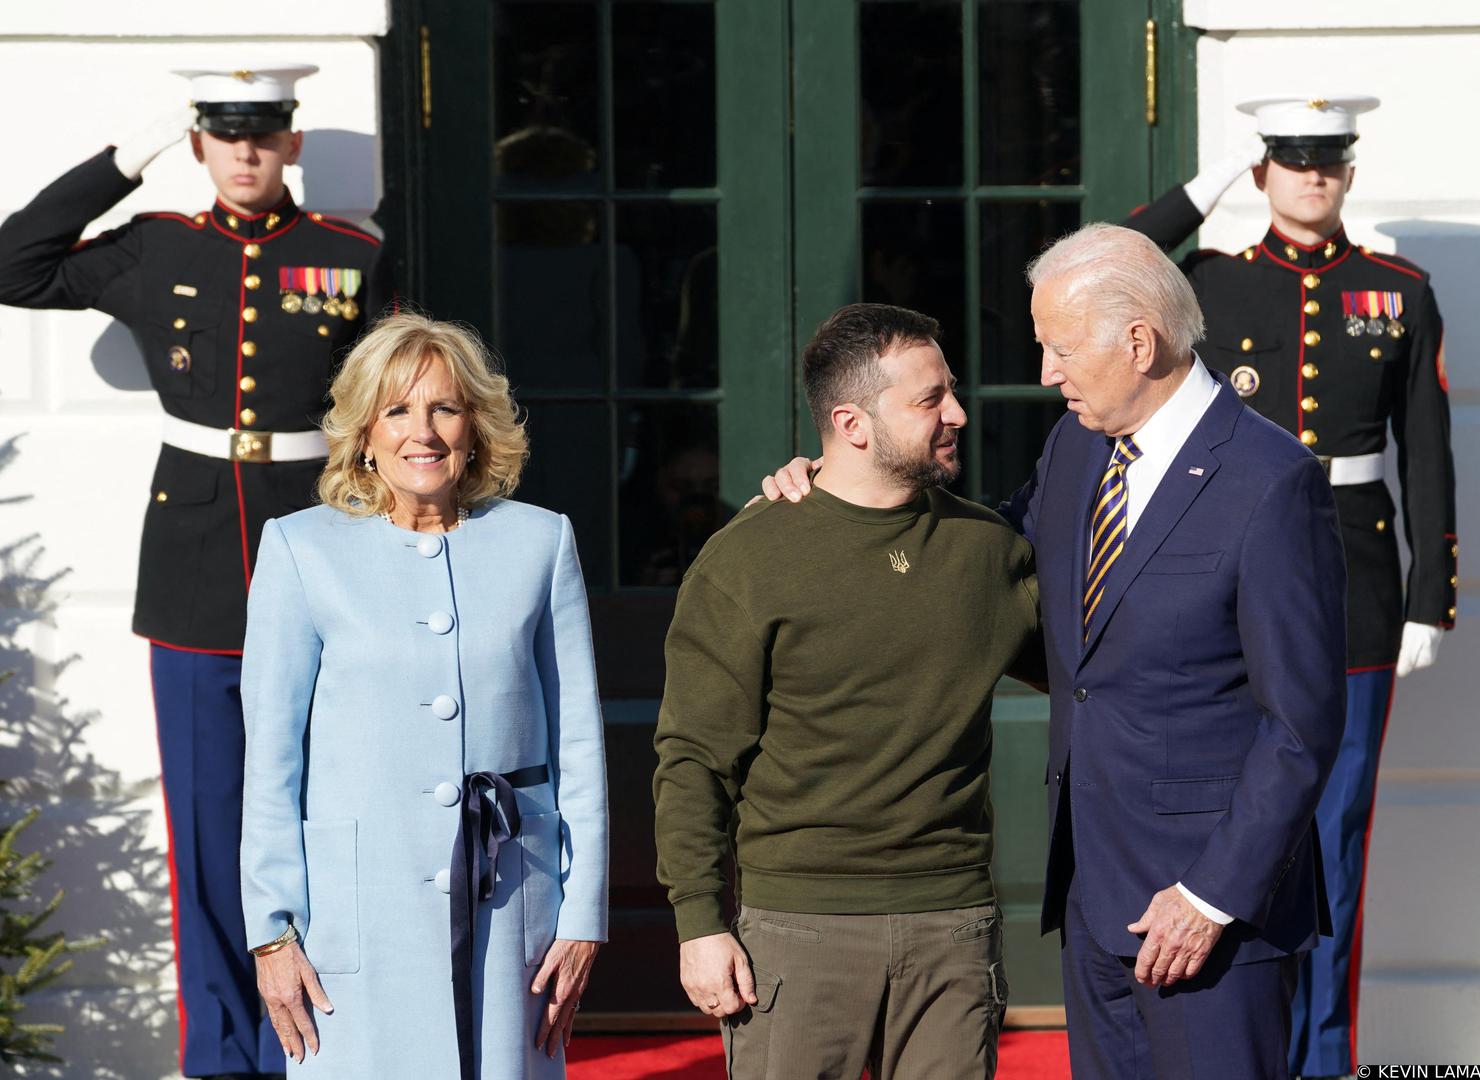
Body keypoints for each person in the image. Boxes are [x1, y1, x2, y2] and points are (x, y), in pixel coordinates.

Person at [761, 225, 1347, 1078]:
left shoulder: (1270, 479)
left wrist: (1209, 896)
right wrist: (839, 487)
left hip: (1205, 917)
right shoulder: (1076, 445)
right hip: (1093, 894)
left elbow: (1301, 724)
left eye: (1058, 348)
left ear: (1138, 342)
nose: (1045, 373)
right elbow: (983, 566)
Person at [0, 65, 391, 1078]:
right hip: (195, 570)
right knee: (207, 834)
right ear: (202, 144)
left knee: (333, 822)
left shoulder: (349, 257)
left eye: (263, 134)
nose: (247, 153)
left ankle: (323, 1050)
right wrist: (123, 161)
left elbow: (407, 399)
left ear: (291, 144)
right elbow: (14, 263)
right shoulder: (157, 248)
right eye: (225, 134)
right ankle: (225, 1057)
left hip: (325, 564)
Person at [1124, 94, 1458, 1079]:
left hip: (1350, 587)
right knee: (1217, 818)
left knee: (1331, 837)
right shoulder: (1206, 286)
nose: (1311, 175)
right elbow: (1111, 257)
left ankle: (1317, 1062)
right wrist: (1204, 184)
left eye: (1327, 160)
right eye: (1289, 159)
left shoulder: (1395, 290)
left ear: (1348, 173)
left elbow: (1428, 457)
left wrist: (1425, 595)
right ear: (1263, 171)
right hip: (1219, 587)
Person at [653, 304, 1041, 1078]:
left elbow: (1106, 674)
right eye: (929, 400)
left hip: (952, 928)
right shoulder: (747, 559)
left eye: (950, 392)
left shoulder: (987, 550)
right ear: (851, 423)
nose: (956, 414)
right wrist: (698, 923)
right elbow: (694, 756)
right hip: (796, 933)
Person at [237, 313, 608, 1078]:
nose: (424, 432)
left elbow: (578, 742)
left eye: (445, 407)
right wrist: (272, 932)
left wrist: (583, 915)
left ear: (475, 425)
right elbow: (270, 758)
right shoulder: (301, 548)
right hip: (356, 915)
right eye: (398, 410)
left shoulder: (541, 542)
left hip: (515, 910)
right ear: (364, 433)